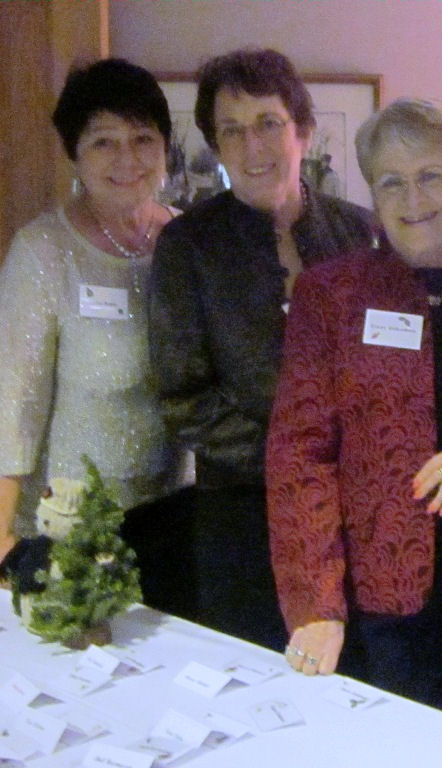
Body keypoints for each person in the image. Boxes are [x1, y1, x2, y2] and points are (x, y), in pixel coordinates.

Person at [266, 98, 442, 721]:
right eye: (391, 182)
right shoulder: (331, 295)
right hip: (373, 597)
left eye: (431, 176)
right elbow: (299, 453)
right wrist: (316, 605)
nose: (412, 198)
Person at [148, 48, 373, 651]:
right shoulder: (187, 246)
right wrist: (297, 465)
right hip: (242, 520)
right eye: (231, 130)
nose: (252, 146)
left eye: (268, 123)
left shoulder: (361, 233)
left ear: (304, 130)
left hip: (357, 517)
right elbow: (184, 398)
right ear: (216, 146)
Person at [0, 59, 188, 574]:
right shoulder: (43, 251)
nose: (127, 158)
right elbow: (13, 404)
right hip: (68, 531)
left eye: (143, 138)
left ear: (165, 147)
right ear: (74, 154)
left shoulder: (188, 241)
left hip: (171, 519)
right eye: (104, 141)